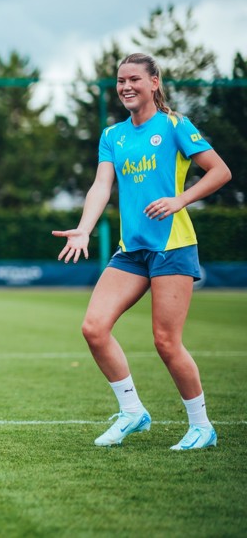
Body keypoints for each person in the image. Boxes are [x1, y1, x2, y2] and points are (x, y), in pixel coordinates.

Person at [53, 53, 232, 449]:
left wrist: (180, 199)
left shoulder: (174, 126)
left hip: (173, 248)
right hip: (131, 250)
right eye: (120, 80)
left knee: (166, 342)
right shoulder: (112, 136)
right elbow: (102, 186)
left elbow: (220, 171)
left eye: (134, 79)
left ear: (154, 83)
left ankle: (202, 425)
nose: (126, 86)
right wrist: (83, 230)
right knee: (94, 328)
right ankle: (133, 412)